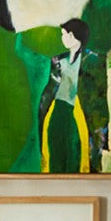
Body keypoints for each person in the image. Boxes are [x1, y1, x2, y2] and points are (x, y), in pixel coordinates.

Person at [38, 17, 93, 173]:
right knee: (54, 153)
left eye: (65, 34)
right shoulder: (58, 60)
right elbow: (49, 89)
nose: (63, 38)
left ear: (75, 36)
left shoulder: (90, 60)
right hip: (56, 111)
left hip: (75, 112)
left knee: (74, 155)